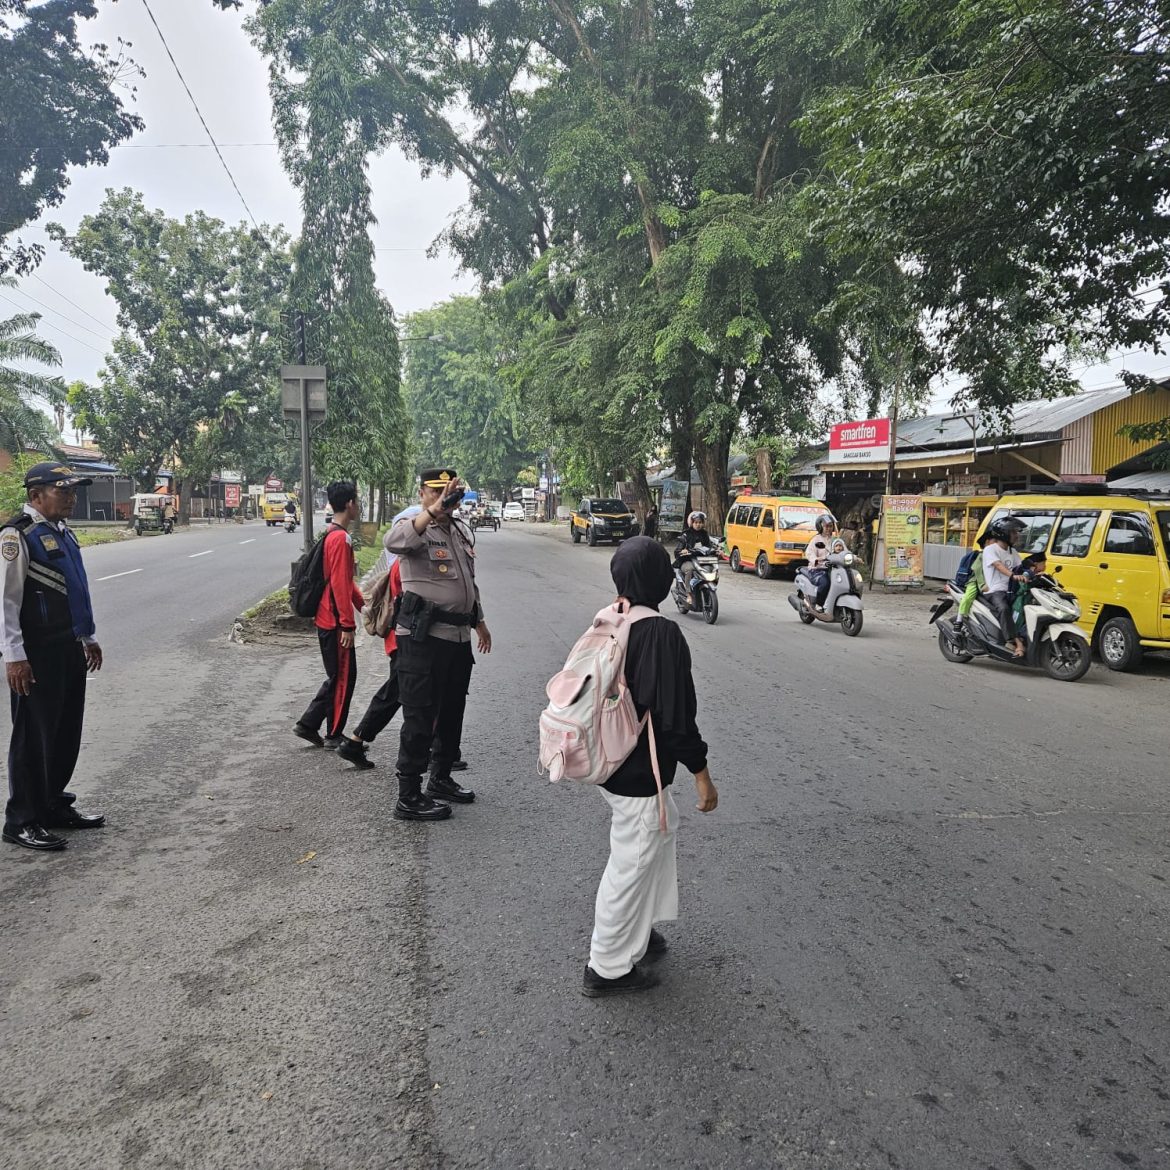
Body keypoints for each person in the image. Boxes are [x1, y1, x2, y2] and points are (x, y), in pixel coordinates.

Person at [583, 537, 718, 997]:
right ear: (661, 579)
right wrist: (702, 774)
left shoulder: (613, 615)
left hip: (612, 761)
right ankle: (607, 965)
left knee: (658, 833)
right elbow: (675, 718)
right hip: (641, 772)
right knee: (633, 859)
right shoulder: (658, 632)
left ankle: (639, 931)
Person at [1, 462, 105, 852]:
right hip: (36, 653)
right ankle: (22, 818)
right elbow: (6, 603)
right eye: (63, 491)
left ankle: (52, 803)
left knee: (64, 731)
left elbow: (74, 591)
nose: (71, 497)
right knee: (33, 736)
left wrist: (87, 636)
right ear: (35, 496)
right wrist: (14, 656)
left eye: (73, 491)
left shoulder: (62, 533)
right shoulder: (18, 537)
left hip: (68, 647)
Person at [385, 470, 492, 822]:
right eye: (436, 492)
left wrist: (479, 621)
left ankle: (441, 778)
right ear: (423, 493)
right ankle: (409, 794)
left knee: (451, 712)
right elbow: (393, 542)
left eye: (451, 493)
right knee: (420, 715)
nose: (446, 498)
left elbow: (468, 582)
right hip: (424, 639)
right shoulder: (414, 525)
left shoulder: (458, 531)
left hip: (457, 637)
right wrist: (432, 510)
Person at [293, 481, 364, 749]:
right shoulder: (341, 538)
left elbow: (344, 581)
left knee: (338, 676)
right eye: (357, 501)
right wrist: (348, 625)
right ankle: (333, 733)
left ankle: (309, 724)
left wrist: (363, 604)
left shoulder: (331, 533)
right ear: (349, 504)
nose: (358, 506)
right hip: (334, 622)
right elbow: (338, 585)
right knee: (344, 677)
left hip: (326, 617)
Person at [982, 515, 1027, 657]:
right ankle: (1013, 642)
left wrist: (1033, 572)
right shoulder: (991, 550)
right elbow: (998, 565)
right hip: (995, 591)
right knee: (1004, 608)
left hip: (1010, 590)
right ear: (1004, 533)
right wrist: (1012, 575)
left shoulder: (1012, 552)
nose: (1016, 535)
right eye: (1013, 532)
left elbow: (1021, 567)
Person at [672, 511, 714, 610]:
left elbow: (709, 546)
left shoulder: (704, 534)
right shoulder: (686, 534)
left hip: (701, 561)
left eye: (700, 522)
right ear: (692, 523)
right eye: (696, 522)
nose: (698, 524)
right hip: (687, 561)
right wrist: (683, 551)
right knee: (690, 569)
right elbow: (677, 551)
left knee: (710, 569)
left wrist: (716, 551)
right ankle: (688, 594)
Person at [804, 514, 838, 610]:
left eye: (830, 526)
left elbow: (843, 549)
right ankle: (819, 604)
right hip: (817, 569)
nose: (828, 528)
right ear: (820, 526)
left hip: (833, 569)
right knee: (825, 583)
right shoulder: (816, 539)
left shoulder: (835, 539)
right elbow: (809, 553)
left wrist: (854, 557)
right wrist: (815, 559)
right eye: (826, 526)